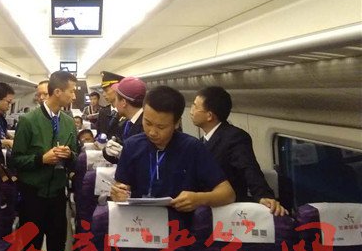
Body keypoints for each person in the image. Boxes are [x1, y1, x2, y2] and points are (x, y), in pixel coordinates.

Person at [11, 70, 78, 251]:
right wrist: (42, 159)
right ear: (57, 92)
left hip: (57, 198)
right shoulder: (28, 121)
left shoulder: (69, 123)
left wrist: (69, 155)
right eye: (71, 90)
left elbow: (76, 158)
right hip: (33, 198)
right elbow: (16, 160)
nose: (74, 95)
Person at [110, 86, 235, 212]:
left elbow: (228, 194)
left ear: (176, 123)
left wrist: (199, 199)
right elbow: (121, 185)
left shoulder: (192, 148)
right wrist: (118, 193)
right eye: (147, 123)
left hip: (179, 220)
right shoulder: (132, 146)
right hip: (139, 219)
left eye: (161, 127)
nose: (152, 132)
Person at [190, 86, 288, 216]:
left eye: (195, 106)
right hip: (205, 210)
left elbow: (248, 168)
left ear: (209, 116)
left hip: (229, 211)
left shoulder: (234, 137)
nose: (191, 111)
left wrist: (263, 195)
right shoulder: (202, 142)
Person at [102, 77, 146, 163]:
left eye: (116, 99)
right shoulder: (126, 123)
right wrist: (107, 151)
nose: (115, 104)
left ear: (123, 102)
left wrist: (125, 156)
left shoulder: (147, 126)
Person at [96, 71, 124, 137]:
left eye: (106, 91)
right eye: (103, 91)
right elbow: (99, 133)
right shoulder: (103, 112)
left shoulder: (125, 112)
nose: (103, 94)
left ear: (117, 90)